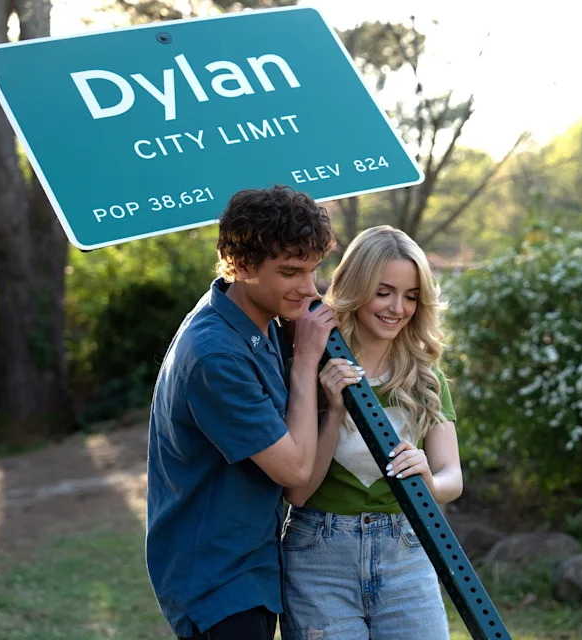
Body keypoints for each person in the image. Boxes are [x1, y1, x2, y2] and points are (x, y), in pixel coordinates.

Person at [145, 186, 361, 640]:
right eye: (290, 272)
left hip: (252, 569)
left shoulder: (253, 323)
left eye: (313, 269)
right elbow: (296, 472)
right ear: (240, 267)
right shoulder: (215, 355)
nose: (309, 289)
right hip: (216, 584)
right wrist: (304, 361)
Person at [280, 225, 463, 640]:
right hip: (319, 554)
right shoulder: (311, 365)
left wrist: (429, 480)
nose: (398, 308)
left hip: (406, 549)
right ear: (356, 287)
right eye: (383, 292)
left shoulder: (426, 379)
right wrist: (334, 410)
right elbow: (299, 492)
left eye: (411, 296)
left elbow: (453, 478)